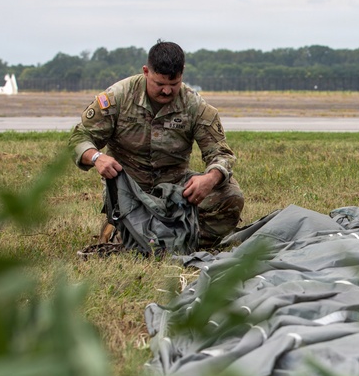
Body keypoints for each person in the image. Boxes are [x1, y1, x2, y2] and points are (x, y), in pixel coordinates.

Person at [69, 41, 244, 248]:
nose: (167, 91)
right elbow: (79, 138)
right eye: (160, 84)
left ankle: (175, 238)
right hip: (130, 189)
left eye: (174, 84)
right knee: (131, 240)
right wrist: (97, 158)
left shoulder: (194, 105)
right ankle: (132, 233)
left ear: (182, 74)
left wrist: (210, 178)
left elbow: (220, 152)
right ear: (146, 71)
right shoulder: (118, 97)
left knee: (230, 195)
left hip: (176, 186)